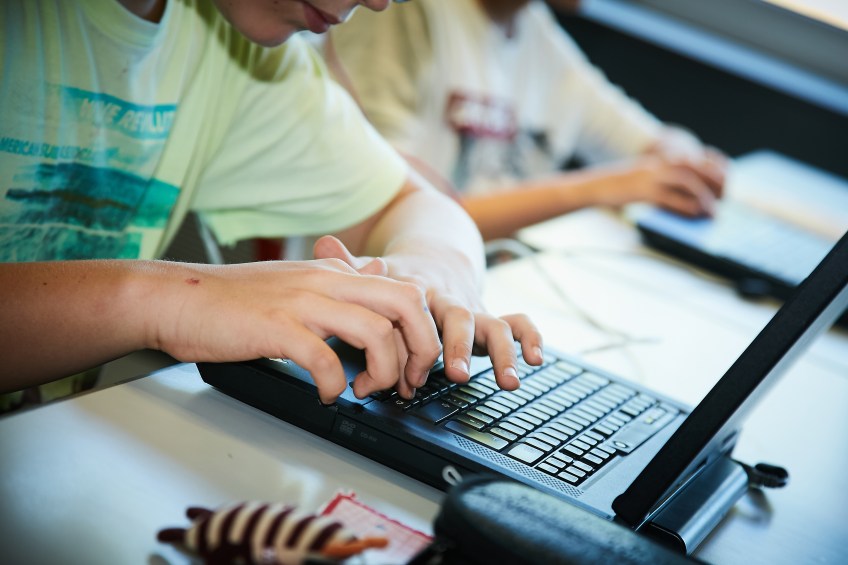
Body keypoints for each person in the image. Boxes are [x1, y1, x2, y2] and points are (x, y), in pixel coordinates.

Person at [0, 0, 543, 411]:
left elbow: (413, 203)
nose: (381, 3)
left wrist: (431, 276)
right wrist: (169, 300)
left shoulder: (233, 48)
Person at [324, 0, 728, 241]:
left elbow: (641, 136)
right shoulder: (402, 16)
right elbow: (382, 212)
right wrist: (601, 187)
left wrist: (681, 159)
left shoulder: (535, 30)